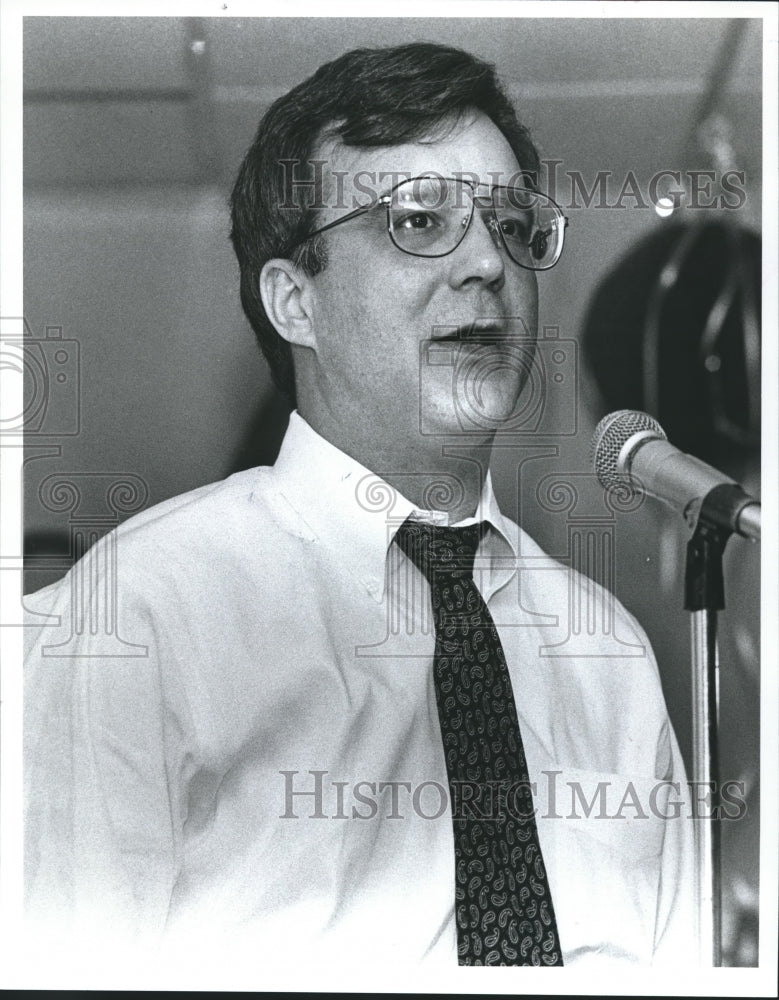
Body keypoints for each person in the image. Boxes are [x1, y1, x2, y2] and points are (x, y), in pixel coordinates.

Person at [23, 42, 694, 969]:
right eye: (419, 220)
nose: (485, 267)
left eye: (508, 224)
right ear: (294, 301)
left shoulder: (609, 655)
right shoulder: (139, 618)